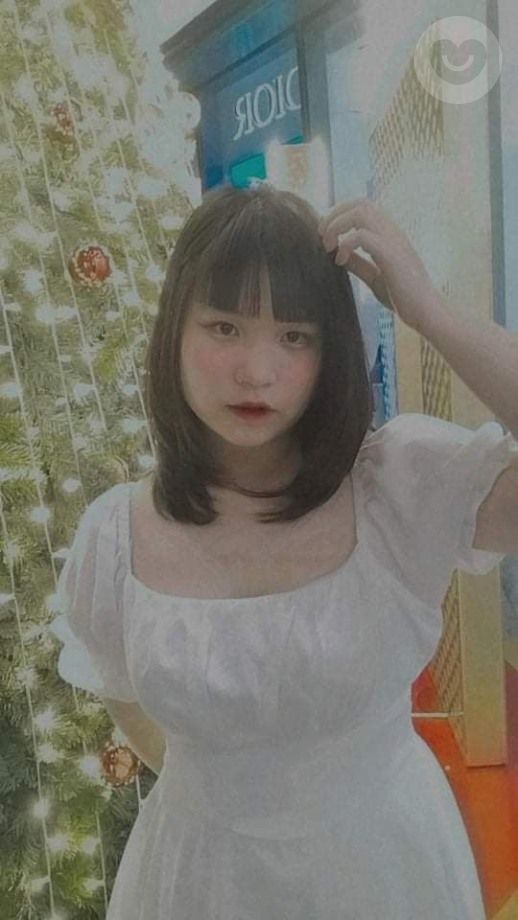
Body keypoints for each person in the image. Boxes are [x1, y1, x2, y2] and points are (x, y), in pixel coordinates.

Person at [50, 183, 518, 919]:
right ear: (175, 332)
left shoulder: (396, 488)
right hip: (197, 880)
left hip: (384, 872)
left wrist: (430, 311)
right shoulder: (115, 536)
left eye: (295, 336)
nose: (256, 371)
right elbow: (126, 699)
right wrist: (235, 802)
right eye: (224, 327)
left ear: (330, 351)